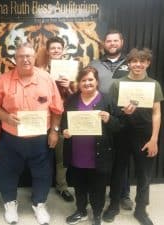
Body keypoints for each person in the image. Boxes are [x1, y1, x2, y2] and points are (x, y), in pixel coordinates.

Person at [0, 42, 64, 225]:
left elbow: (57, 109)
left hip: (40, 139)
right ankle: (10, 203)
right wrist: (6, 117)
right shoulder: (3, 80)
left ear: (34, 57)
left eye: (29, 56)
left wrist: (54, 132)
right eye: (21, 56)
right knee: (7, 173)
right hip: (11, 138)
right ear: (15, 59)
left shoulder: (46, 79)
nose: (25, 59)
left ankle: (39, 204)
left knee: (43, 173)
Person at [105, 48, 163, 225]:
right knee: (117, 172)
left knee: (144, 174)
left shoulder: (154, 84)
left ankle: (140, 210)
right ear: (128, 63)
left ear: (147, 63)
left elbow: (156, 113)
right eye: (134, 61)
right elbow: (112, 112)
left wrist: (154, 139)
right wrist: (122, 112)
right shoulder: (117, 84)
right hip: (121, 133)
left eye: (142, 61)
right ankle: (114, 205)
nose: (138, 64)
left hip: (145, 135)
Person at [61, 66, 120, 225]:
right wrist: (64, 130)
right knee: (79, 186)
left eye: (90, 80)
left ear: (97, 81)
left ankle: (97, 214)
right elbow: (63, 122)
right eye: (83, 80)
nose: (87, 83)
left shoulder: (107, 100)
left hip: (99, 155)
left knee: (98, 188)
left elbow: (120, 125)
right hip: (77, 153)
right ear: (79, 83)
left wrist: (109, 119)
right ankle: (81, 211)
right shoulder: (72, 99)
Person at [89, 29, 134, 211]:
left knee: (122, 157)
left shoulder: (132, 63)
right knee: (100, 154)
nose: (112, 43)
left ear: (121, 42)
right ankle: (98, 192)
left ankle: (123, 194)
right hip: (101, 115)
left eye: (116, 40)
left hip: (125, 115)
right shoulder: (94, 63)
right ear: (103, 44)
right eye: (109, 41)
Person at [38, 36, 75, 202]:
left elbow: (79, 98)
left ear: (63, 50)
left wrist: (69, 88)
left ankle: (62, 186)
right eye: (52, 48)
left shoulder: (73, 70)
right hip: (45, 118)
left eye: (58, 48)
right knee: (42, 156)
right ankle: (41, 187)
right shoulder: (40, 71)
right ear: (48, 51)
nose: (55, 51)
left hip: (65, 119)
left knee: (62, 156)